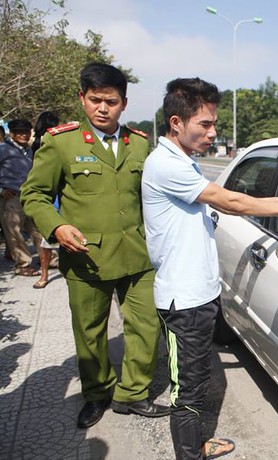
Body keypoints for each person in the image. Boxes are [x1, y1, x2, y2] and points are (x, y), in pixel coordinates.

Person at [141, 77, 278, 460]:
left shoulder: (183, 161)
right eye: (205, 124)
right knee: (187, 388)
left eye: (213, 123)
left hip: (199, 293)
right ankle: (190, 454)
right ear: (175, 123)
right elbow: (227, 199)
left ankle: (196, 445)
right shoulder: (166, 166)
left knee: (198, 379)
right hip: (182, 300)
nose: (213, 132)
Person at [21, 62, 169, 429]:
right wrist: (57, 228)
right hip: (86, 257)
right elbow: (35, 194)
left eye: (111, 101)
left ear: (124, 103)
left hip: (138, 255)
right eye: (95, 100)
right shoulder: (61, 141)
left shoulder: (140, 144)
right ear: (82, 99)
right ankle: (98, 393)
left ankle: (132, 394)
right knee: (90, 332)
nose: (103, 108)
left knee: (145, 327)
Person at [0, 119, 44, 276]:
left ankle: (48, 259)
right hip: (12, 197)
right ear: (11, 134)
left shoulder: (29, 150)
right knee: (15, 232)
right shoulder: (3, 149)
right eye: (19, 132)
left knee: (38, 230)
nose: (23, 135)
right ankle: (23, 264)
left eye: (26, 132)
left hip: (30, 196)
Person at [30, 111, 61, 289]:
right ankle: (44, 273)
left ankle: (44, 274)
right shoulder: (40, 145)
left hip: (58, 196)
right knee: (46, 238)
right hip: (50, 197)